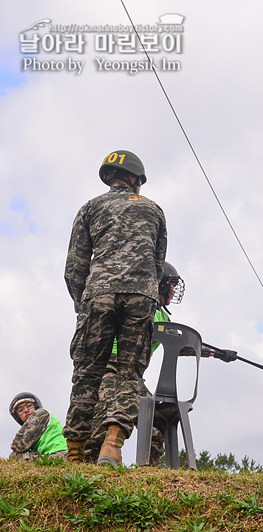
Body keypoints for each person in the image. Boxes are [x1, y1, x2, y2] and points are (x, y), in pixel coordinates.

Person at [63, 149, 167, 466]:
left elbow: (73, 268)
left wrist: (84, 304)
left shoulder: (89, 208)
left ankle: (76, 453)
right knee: (129, 374)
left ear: (110, 178)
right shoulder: (154, 210)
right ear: (136, 180)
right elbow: (158, 265)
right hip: (141, 294)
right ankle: (112, 444)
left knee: (86, 375)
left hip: (98, 294)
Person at [84, 261, 236, 464]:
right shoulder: (137, 304)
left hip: (133, 375)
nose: (173, 290)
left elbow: (181, 346)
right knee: (100, 425)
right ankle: (92, 469)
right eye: (171, 284)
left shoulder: (163, 315)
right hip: (110, 367)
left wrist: (218, 354)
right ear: (160, 283)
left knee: (155, 429)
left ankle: (149, 476)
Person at [9, 393, 68, 461]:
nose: (25, 410)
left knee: (15, 455)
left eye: (29, 406)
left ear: (35, 406)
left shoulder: (41, 414)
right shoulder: (32, 430)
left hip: (61, 454)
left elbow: (19, 445)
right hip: (51, 456)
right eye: (20, 410)